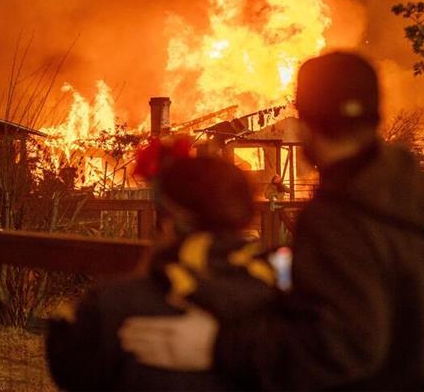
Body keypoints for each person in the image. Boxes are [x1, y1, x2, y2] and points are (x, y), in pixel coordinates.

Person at [119, 52, 424, 391]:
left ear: (305, 123)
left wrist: (216, 344)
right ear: (375, 116)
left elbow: (338, 347)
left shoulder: (341, 217)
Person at [46, 148, 278, 391]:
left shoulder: (112, 306)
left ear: (167, 224)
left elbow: (67, 365)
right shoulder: (284, 307)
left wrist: (145, 270)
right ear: (244, 218)